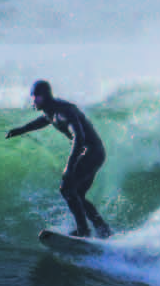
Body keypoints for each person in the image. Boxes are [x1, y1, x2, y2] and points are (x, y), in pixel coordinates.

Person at [7, 80, 113, 239]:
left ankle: (83, 231)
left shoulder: (63, 111)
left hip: (91, 152)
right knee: (78, 194)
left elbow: (80, 138)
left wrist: (70, 167)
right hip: (96, 152)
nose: (33, 100)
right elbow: (44, 121)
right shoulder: (52, 111)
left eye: (35, 97)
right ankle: (103, 229)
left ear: (44, 96)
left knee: (66, 188)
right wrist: (21, 130)